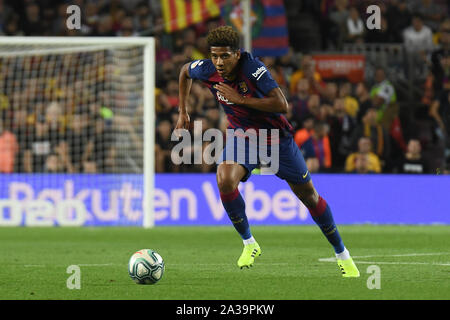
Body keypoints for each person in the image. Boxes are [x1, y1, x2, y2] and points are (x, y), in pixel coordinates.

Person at [176, 26, 359, 277]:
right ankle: (249, 244)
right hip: (244, 137)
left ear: (237, 54)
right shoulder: (207, 69)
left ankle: (342, 254)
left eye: (224, 56)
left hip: (276, 140)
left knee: (310, 197)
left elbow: (281, 104)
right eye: (214, 56)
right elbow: (184, 71)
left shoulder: (253, 69)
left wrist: (240, 100)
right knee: (224, 179)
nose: (218, 62)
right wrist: (182, 111)